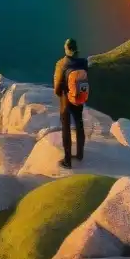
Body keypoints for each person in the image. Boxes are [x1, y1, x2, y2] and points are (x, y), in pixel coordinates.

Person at [53, 38, 89, 169]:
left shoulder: (61, 64)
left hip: (66, 100)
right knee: (79, 124)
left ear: (66, 48)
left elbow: (57, 87)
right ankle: (80, 154)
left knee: (66, 128)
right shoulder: (84, 62)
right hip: (79, 97)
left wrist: (62, 95)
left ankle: (67, 161)